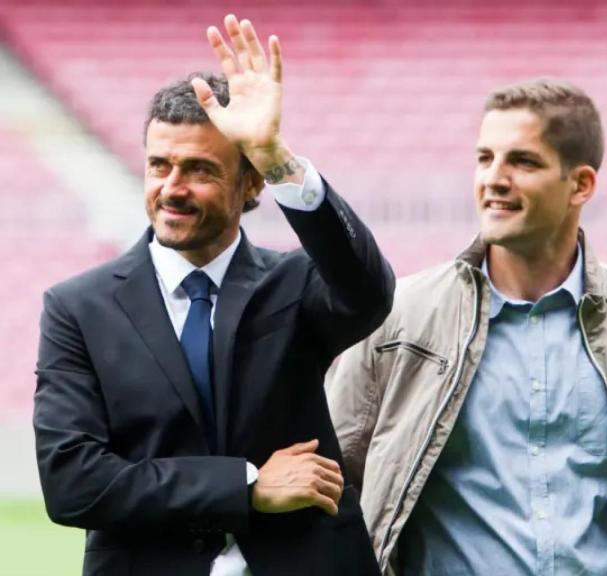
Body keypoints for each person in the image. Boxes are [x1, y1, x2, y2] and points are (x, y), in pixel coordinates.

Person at [34, 14, 392, 575]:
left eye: (198, 169)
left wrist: (276, 156)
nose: (172, 188)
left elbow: (369, 293)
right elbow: (72, 483)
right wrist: (245, 485)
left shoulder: (295, 285)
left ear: (250, 184)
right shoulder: (77, 308)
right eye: (159, 165)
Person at [326, 78, 607, 575]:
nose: (493, 178)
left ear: (581, 185)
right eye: (485, 158)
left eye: (523, 162)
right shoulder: (398, 318)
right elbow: (334, 475)